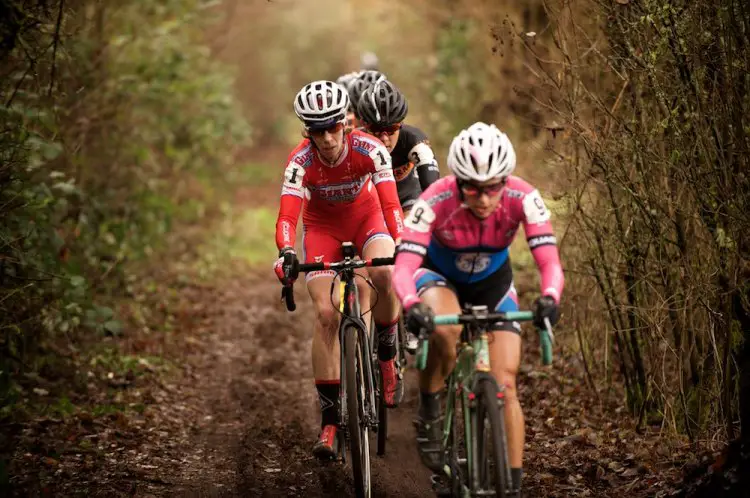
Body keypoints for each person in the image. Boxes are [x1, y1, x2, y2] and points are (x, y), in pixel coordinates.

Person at [392, 122, 564, 496]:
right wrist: (411, 304)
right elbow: (404, 267)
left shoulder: (524, 197)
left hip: (493, 283)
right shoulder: (435, 200)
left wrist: (550, 297)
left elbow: (549, 262)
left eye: (492, 188)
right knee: (445, 330)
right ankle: (431, 408)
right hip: (439, 276)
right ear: (457, 183)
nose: (483, 199)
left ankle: (511, 484)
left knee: (506, 383)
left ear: (505, 181)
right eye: (472, 188)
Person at [273, 80, 405, 460]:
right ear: (307, 132)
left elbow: (392, 206)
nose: (328, 138)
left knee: (383, 272)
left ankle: (386, 354)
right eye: (318, 131)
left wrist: (406, 245)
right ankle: (330, 420)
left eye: (333, 127)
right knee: (327, 313)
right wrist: (285, 252)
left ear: (347, 124)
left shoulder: (371, 149)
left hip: (368, 220)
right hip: (323, 231)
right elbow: (288, 215)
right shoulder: (300, 162)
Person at [357, 78, 440, 353]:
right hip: (371, 205)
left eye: (391, 129)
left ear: (401, 125)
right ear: (364, 126)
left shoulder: (414, 141)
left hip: (406, 199)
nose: (383, 138)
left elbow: (432, 185)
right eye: (376, 130)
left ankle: (409, 308)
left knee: (406, 242)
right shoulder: (354, 142)